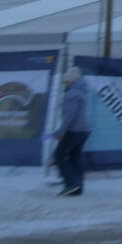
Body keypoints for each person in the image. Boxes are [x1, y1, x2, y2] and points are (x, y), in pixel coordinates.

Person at [53, 66, 92, 196]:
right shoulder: (81, 92)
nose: (65, 84)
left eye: (66, 82)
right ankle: (78, 187)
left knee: (59, 155)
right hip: (84, 130)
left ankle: (71, 184)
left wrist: (60, 132)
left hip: (75, 129)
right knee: (75, 157)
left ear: (71, 81)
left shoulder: (72, 94)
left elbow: (69, 116)